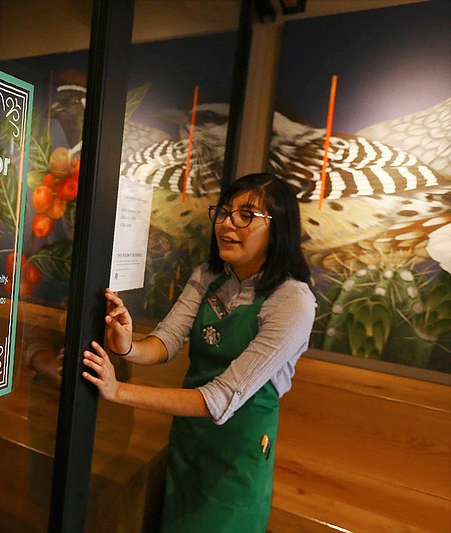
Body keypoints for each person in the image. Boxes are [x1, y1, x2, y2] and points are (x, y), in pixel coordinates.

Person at [82, 172, 316, 532]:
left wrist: (119, 391)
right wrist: (127, 345)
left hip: (238, 455)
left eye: (246, 215)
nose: (227, 223)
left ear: (278, 228)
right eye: (224, 211)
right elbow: (167, 341)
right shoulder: (209, 276)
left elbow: (221, 398)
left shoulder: (292, 301)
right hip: (189, 442)